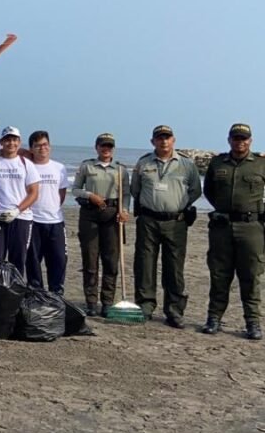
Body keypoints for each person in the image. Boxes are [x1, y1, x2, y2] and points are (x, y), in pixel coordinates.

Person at [130, 125, 202, 327]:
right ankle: (145, 306)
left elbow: (195, 190)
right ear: (152, 141)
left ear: (174, 140)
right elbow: (136, 189)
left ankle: (174, 310)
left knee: (174, 268)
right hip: (148, 221)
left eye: (167, 138)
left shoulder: (186, 165)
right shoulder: (143, 163)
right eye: (159, 138)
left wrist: (177, 204)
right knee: (144, 264)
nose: (164, 141)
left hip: (175, 222)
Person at [202, 123, 264, 339]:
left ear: (250, 141)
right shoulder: (218, 162)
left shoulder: (260, 164)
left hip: (251, 228)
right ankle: (214, 318)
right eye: (236, 138)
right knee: (219, 274)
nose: (240, 142)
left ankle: (253, 323)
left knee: (251, 275)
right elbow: (208, 190)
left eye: (244, 138)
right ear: (229, 140)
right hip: (222, 227)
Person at [71, 133, 131, 317]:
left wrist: (125, 210)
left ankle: (107, 302)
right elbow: (75, 190)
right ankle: (91, 302)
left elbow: (126, 194)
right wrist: (90, 195)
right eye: (103, 146)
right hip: (90, 214)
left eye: (109, 146)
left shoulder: (120, 169)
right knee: (90, 259)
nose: (106, 149)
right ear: (96, 147)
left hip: (112, 215)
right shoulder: (87, 166)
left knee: (111, 260)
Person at [0, 126, 40, 277]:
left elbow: (33, 193)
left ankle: (14, 296)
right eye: (7, 140)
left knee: (18, 260)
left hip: (21, 218)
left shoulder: (26, 164)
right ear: (1, 142)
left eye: (14, 140)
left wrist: (17, 210)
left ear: (19, 142)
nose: (11, 143)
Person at [25, 131, 70, 294]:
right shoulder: (27, 166)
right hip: (33, 221)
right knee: (33, 261)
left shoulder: (59, 168)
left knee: (59, 260)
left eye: (45, 144)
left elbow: (61, 194)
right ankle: (36, 293)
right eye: (37, 146)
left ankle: (56, 294)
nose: (42, 148)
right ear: (31, 149)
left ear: (49, 147)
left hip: (55, 221)